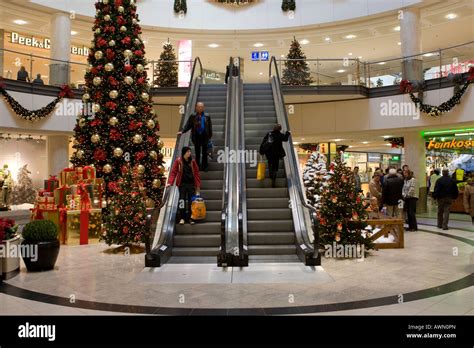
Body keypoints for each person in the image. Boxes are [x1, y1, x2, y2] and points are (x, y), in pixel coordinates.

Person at [166, 146, 201, 225]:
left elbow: (196, 173)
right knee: (181, 201)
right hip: (182, 185)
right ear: (184, 153)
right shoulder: (178, 161)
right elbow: (174, 172)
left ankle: (191, 218)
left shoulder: (192, 161)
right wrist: (170, 182)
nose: (189, 153)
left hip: (191, 185)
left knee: (191, 201)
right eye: (188, 152)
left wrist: (198, 185)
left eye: (190, 152)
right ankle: (182, 218)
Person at [177, 102, 213, 172]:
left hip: (205, 136)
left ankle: (205, 167)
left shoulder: (207, 116)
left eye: (202, 107)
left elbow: (210, 126)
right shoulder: (193, 116)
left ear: (203, 108)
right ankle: (197, 167)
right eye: (199, 107)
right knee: (197, 153)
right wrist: (183, 131)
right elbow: (188, 125)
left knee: (205, 153)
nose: (200, 108)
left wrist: (210, 135)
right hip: (196, 136)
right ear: (196, 107)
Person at [259, 124, 290, 188]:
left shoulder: (269, 134)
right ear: (280, 129)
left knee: (270, 163)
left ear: (273, 128)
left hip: (269, 153)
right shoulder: (280, 135)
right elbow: (285, 139)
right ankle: (273, 179)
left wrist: (261, 151)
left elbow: (263, 143)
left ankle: (270, 174)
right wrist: (287, 133)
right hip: (276, 154)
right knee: (275, 167)